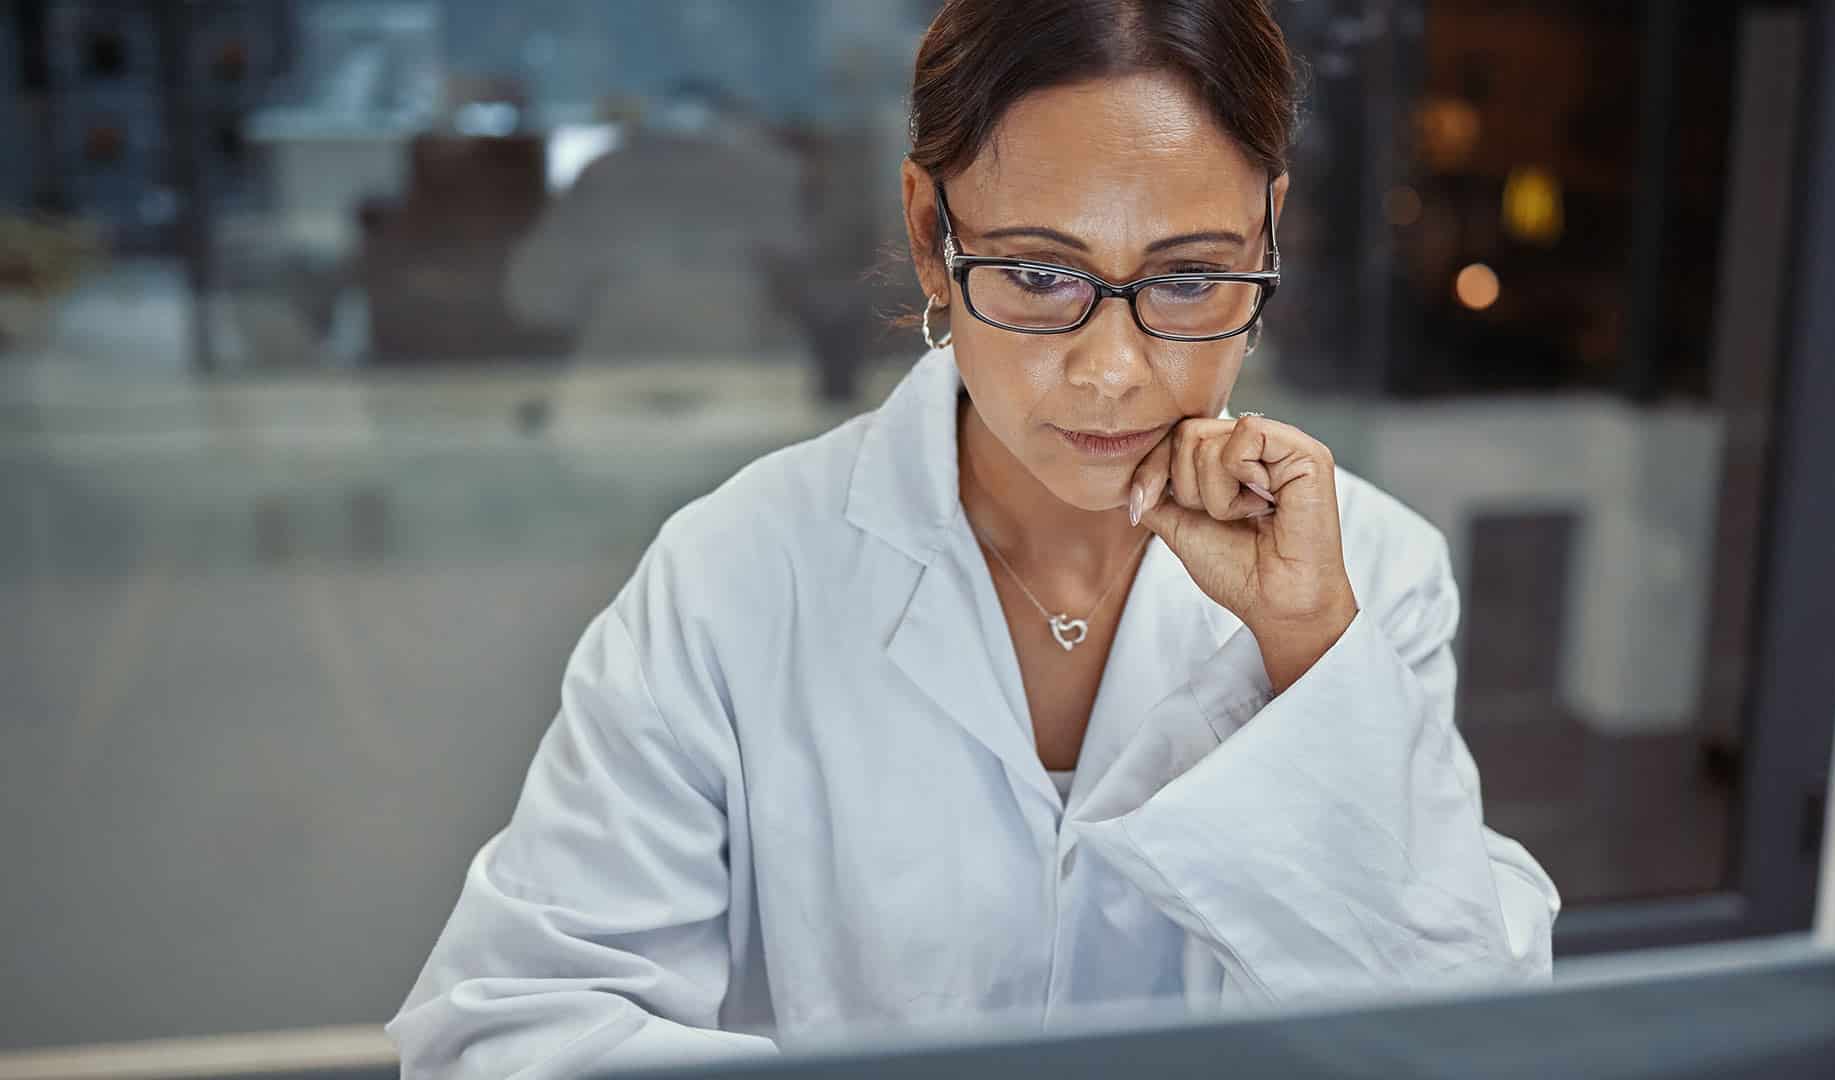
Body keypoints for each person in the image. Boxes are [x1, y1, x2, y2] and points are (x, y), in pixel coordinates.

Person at [389, 2, 1560, 1075]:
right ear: (926, 232)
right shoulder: (737, 576)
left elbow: (1458, 1039)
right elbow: (510, 1028)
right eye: (1040, 273)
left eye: (1192, 276)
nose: (1113, 371)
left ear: (1271, 224)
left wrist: (1311, 657)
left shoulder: (1371, 573)